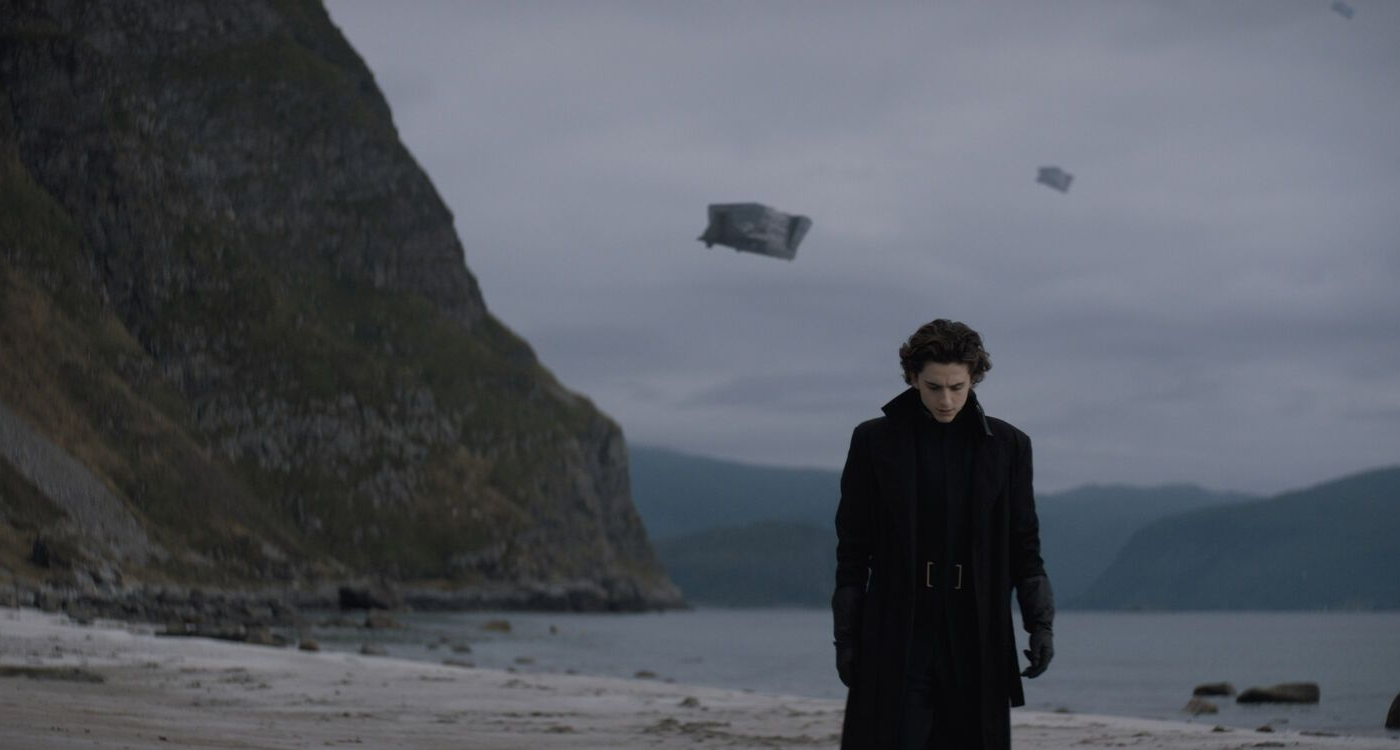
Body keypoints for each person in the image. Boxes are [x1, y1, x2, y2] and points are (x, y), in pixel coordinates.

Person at [832, 319, 1054, 750]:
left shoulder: (1008, 446)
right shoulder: (873, 441)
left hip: (976, 630)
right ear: (913, 377)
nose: (946, 400)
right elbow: (853, 551)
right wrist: (846, 639)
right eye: (934, 387)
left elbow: (1024, 545)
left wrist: (1040, 625)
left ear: (974, 379)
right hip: (897, 627)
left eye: (957, 386)